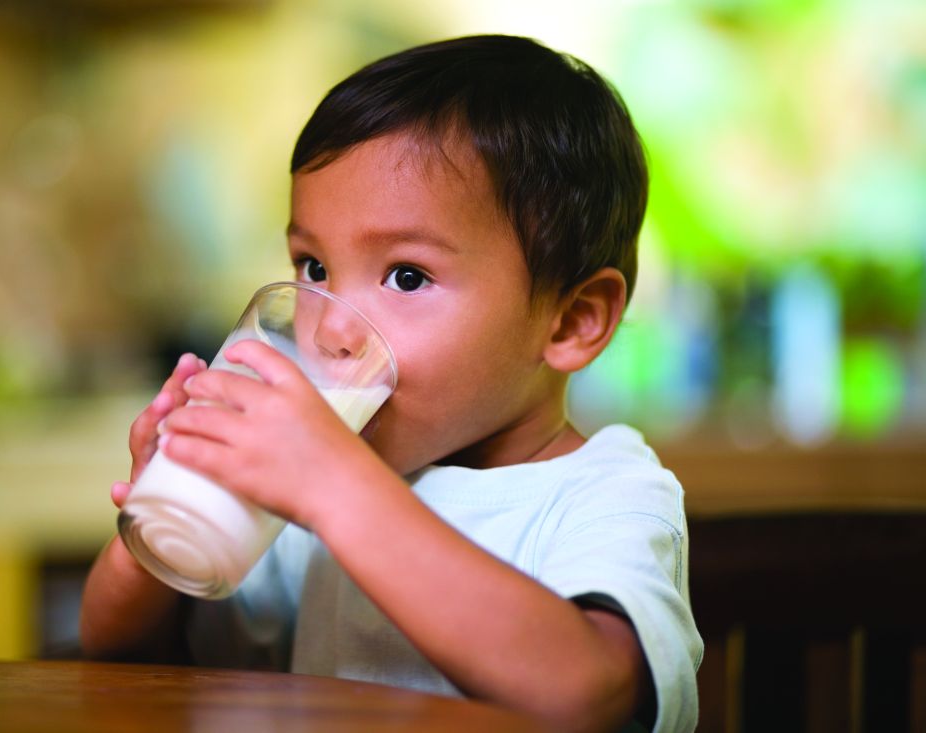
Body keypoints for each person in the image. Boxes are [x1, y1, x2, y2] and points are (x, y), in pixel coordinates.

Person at [80, 34, 702, 733]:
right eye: (313, 267)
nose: (330, 327)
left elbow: (586, 693)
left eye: (407, 275)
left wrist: (335, 488)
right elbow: (122, 650)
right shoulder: (309, 493)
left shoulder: (605, 494)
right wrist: (157, 523)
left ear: (570, 321)